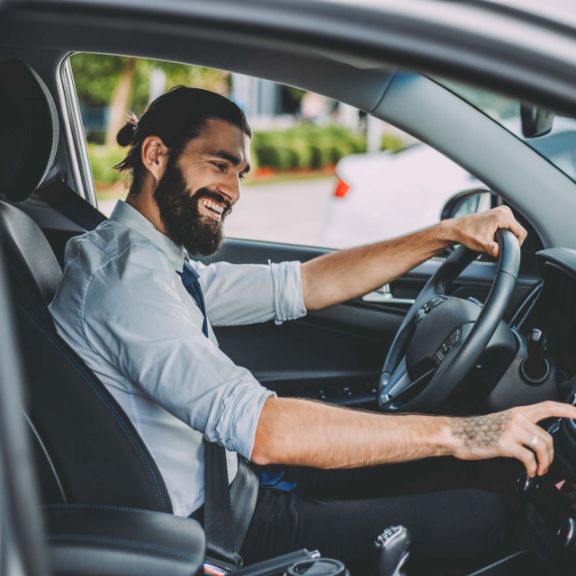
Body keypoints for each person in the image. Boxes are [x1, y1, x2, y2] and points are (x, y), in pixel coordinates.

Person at [49, 87, 576, 575]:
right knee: (491, 517)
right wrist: (466, 433)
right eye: (219, 165)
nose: (232, 191)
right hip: (222, 532)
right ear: (157, 156)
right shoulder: (125, 283)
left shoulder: (158, 264)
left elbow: (302, 284)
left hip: (238, 489)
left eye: (241, 173)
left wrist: (444, 234)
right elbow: (266, 430)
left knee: (471, 475)